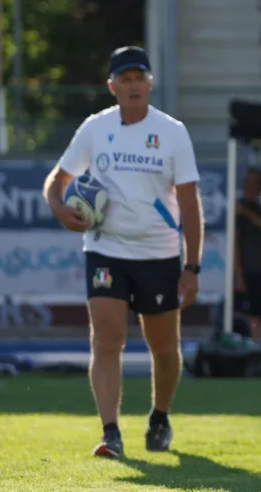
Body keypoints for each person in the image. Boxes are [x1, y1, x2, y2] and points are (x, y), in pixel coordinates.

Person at [43, 45, 202, 459]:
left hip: (158, 253)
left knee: (163, 347)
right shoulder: (95, 128)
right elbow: (57, 179)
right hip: (106, 250)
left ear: (150, 82)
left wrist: (192, 266)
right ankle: (110, 431)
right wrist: (60, 210)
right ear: (112, 86)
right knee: (107, 339)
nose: (133, 86)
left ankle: (160, 417)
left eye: (139, 78)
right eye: (125, 79)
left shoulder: (172, 132)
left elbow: (190, 205)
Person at [234, 167, 261, 341]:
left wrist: (248, 213)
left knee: (257, 313)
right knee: (244, 313)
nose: (251, 187)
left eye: (255, 183)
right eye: (248, 183)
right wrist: (239, 275)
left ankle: (255, 343)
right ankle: (246, 344)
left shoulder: (256, 207)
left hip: (258, 268)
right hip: (245, 269)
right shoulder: (238, 209)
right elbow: (234, 244)